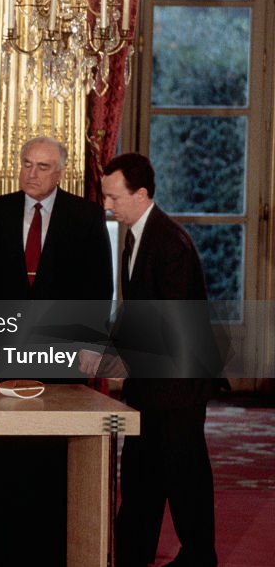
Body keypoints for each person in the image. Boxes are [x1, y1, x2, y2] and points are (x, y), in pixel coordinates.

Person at [101, 153, 221, 567]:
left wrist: (119, 356)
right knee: (141, 475)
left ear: (141, 195)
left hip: (178, 386)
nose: (108, 206)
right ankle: (132, 553)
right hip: (150, 383)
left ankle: (200, 558)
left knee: (183, 476)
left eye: (114, 197)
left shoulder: (170, 244)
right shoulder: (136, 233)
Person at [0, 136, 112, 301]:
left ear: (61, 173)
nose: (32, 174)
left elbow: (100, 288)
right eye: (27, 165)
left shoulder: (87, 216)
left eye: (43, 167)